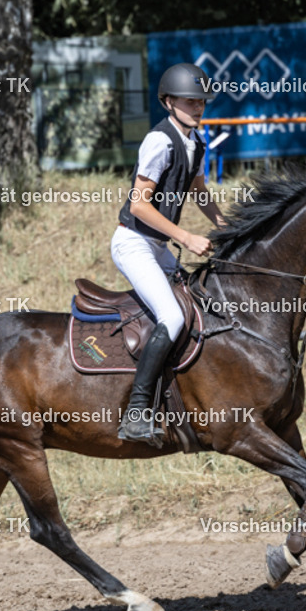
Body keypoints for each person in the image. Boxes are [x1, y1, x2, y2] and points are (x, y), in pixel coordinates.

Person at [113, 62, 227, 446]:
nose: (199, 107)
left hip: (158, 245)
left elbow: (198, 191)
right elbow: (140, 205)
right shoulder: (158, 141)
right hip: (133, 243)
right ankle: (137, 412)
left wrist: (225, 227)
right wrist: (188, 236)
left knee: (199, 305)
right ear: (168, 101)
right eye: (191, 101)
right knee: (173, 316)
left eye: (202, 101)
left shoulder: (196, 142)